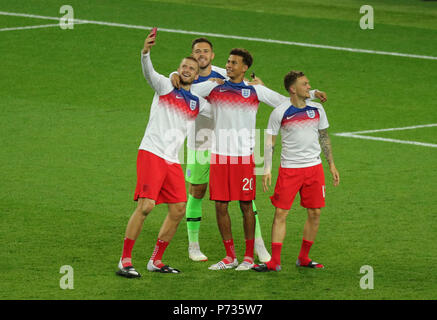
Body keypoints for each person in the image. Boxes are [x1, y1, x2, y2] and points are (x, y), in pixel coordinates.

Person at [191, 48, 327, 271]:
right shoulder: (215, 86)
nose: (228, 66)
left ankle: (247, 257)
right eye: (228, 62)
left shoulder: (255, 90)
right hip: (220, 155)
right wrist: (176, 77)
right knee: (220, 205)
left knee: (246, 205)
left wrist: (313, 93)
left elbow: (286, 100)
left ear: (244, 68)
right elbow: (186, 89)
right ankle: (229, 256)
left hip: (246, 156)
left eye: (234, 63)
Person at [116, 31, 212, 277]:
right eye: (183, 66)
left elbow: (220, 104)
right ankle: (125, 260)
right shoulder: (165, 86)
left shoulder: (197, 103)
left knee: (179, 209)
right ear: (178, 69)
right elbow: (149, 72)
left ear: (198, 72)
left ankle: (155, 261)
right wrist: (145, 52)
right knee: (146, 206)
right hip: (152, 152)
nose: (187, 69)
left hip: (172, 160)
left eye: (192, 66)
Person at [171, 37, 271, 263]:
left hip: (230, 145)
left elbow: (244, 85)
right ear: (191, 55)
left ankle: (258, 244)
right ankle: (193, 245)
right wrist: (172, 76)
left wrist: (260, 87)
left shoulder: (223, 74)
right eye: (197, 51)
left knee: (246, 197)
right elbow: (170, 83)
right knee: (197, 192)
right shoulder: (184, 75)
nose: (201, 55)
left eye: (205, 51)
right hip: (199, 144)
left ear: (212, 55)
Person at [253, 70, 340, 272]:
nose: (309, 87)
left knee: (315, 212)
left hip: (314, 168)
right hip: (290, 170)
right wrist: (267, 168)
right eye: (305, 84)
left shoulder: (317, 109)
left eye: (308, 84)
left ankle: (304, 257)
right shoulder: (280, 112)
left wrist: (331, 165)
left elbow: (324, 137)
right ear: (293, 89)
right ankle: (274, 261)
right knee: (281, 213)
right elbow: (270, 142)